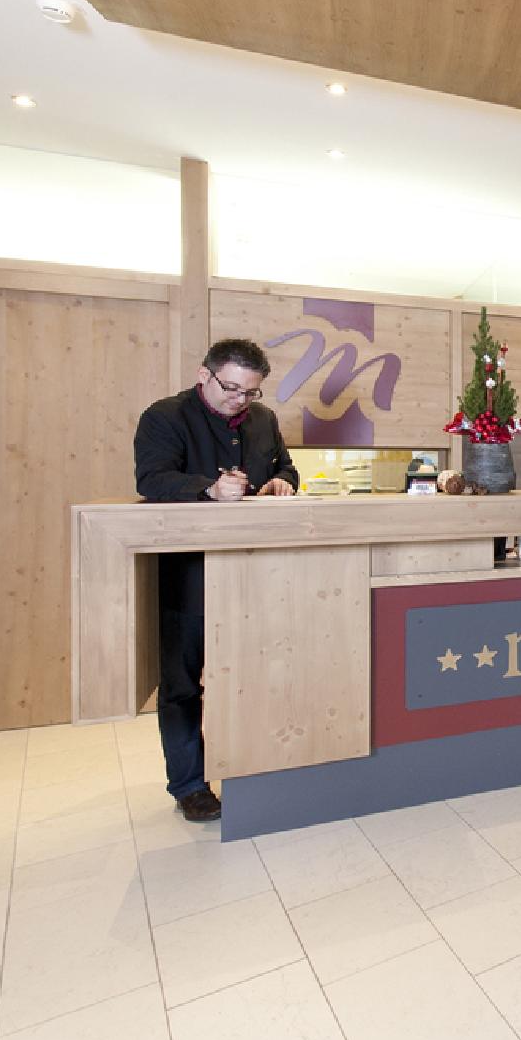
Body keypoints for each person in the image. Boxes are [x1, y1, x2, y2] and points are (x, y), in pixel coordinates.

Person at [134, 338, 298, 821]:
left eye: (251, 392)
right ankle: (190, 785)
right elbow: (151, 479)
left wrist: (283, 482)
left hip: (256, 577)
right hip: (188, 574)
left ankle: (255, 766)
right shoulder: (164, 417)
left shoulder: (263, 420)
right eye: (231, 389)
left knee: (257, 675)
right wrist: (208, 489)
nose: (240, 401)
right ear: (203, 375)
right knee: (183, 685)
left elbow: (285, 466)